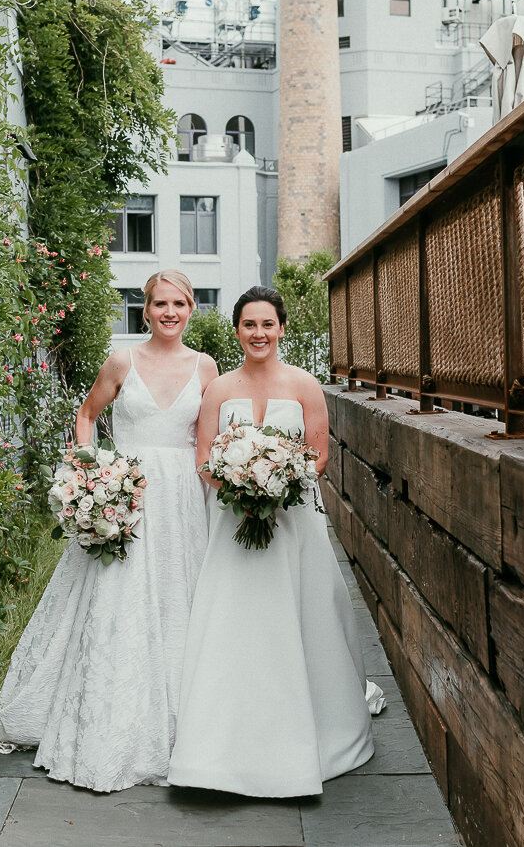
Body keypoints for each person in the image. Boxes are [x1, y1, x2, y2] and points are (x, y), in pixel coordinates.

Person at [0, 270, 218, 792]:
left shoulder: (205, 366)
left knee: (182, 597)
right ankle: (112, 720)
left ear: (191, 308)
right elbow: (87, 414)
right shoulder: (121, 360)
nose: (169, 313)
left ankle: (190, 725)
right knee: (118, 597)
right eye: (159, 303)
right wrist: (91, 472)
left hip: (181, 497)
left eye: (179, 303)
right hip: (126, 490)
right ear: (145, 308)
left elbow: (208, 438)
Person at [168, 285, 377, 798]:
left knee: (302, 613)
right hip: (231, 522)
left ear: (281, 328)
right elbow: (203, 459)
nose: (258, 334)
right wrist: (239, 486)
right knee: (232, 620)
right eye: (248, 325)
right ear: (237, 330)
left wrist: (278, 482)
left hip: (292, 519)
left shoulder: (304, 386)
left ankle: (314, 736)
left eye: (267, 324)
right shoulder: (219, 390)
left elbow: (319, 454)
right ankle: (219, 746)